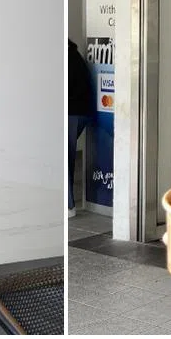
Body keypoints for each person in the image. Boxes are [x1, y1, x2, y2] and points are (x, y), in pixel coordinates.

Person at [67, 38, 94, 216]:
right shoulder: (74, 56)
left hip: (71, 113)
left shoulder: (68, 60)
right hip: (78, 113)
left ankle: (68, 206)